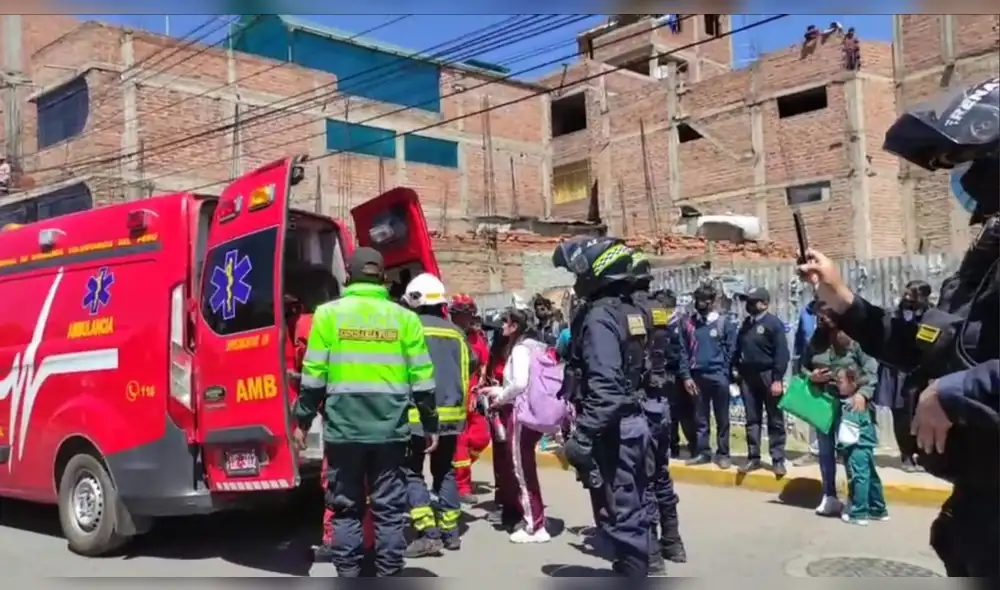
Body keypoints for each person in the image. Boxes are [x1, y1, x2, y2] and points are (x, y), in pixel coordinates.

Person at [799, 76, 998, 577]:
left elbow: (964, 374)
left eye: (966, 162)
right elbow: (926, 345)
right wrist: (841, 296)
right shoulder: (986, 257)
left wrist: (956, 391)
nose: (960, 179)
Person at [292, 248, 438, 578]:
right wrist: (430, 424)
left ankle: (348, 575)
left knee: (346, 509)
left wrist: (301, 420)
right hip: (390, 432)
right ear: (383, 278)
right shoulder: (405, 319)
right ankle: (388, 575)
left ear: (349, 277)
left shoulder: (327, 316)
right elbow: (423, 379)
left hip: (344, 431)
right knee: (388, 511)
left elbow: (314, 375)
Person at [553, 236, 653, 577]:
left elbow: (607, 389)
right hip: (632, 422)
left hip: (614, 428)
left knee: (623, 516)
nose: (576, 281)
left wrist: (581, 437)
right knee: (636, 508)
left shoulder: (599, 317)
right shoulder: (629, 310)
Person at [399, 273, 476, 556]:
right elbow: (474, 362)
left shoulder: (411, 328)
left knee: (412, 473)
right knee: (445, 472)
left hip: (418, 418)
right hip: (453, 417)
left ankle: (428, 533)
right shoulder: (456, 332)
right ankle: (450, 532)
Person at [627, 251, 687, 569]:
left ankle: (651, 553)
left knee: (643, 480)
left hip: (639, 405)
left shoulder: (628, 311)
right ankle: (673, 543)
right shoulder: (659, 310)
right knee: (661, 476)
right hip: (659, 402)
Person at [800, 300, 879, 518]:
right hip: (823, 402)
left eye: (825, 315)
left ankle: (855, 500)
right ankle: (829, 496)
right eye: (819, 316)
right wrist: (811, 376)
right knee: (825, 452)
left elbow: (871, 370)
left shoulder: (855, 341)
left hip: (851, 403)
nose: (821, 319)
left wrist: (863, 394)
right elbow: (802, 366)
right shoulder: (815, 341)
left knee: (851, 453)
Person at [480, 308, 552, 544]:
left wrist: (499, 397)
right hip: (534, 412)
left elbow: (519, 383)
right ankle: (536, 517)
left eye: (505, 323)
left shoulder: (520, 349)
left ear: (515, 326)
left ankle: (534, 526)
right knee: (526, 468)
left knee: (521, 470)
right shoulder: (537, 345)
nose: (502, 328)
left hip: (520, 414)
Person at [677, 284, 738, 469]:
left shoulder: (723, 323)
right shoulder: (688, 324)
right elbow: (682, 351)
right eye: (697, 299)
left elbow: (731, 350)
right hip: (696, 377)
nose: (699, 304)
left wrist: (724, 372)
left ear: (712, 302)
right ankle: (703, 452)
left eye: (704, 300)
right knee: (700, 418)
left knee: (722, 418)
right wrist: (687, 376)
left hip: (718, 376)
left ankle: (723, 454)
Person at [874, 281, 931, 472]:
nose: (907, 299)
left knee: (921, 414)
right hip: (895, 371)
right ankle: (906, 454)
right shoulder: (892, 316)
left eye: (913, 296)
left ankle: (921, 454)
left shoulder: (931, 317)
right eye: (906, 294)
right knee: (900, 415)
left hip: (920, 371)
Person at [734, 287, 790, 476]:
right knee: (752, 419)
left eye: (753, 301)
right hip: (748, 378)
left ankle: (777, 459)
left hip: (768, 376)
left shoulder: (773, 324)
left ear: (765, 303)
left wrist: (777, 379)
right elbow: (738, 349)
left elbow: (782, 354)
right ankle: (754, 457)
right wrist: (736, 371)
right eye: (747, 302)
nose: (749, 306)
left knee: (775, 418)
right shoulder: (746, 325)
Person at [448, 293, 492, 504]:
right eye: (461, 313)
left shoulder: (478, 337)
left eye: (468, 313)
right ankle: (462, 486)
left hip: (474, 397)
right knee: (461, 444)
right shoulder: (448, 335)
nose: (466, 318)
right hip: (454, 399)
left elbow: (483, 364)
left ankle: (457, 472)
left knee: (481, 437)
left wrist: (481, 386)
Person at [834, 366, 888, 526]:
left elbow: (849, 429)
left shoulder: (853, 403)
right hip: (865, 442)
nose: (837, 384)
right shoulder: (860, 400)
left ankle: (859, 513)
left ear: (853, 383)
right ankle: (878, 509)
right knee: (870, 475)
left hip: (857, 444)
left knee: (859, 477)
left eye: (840, 381)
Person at [792, 293, 822, 466]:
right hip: (812, 367)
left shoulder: (841, 310)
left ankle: (840, 451)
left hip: (838, 367)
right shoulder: (806, 312)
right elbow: (799, 341)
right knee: (814, 411)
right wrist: (798, 367)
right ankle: (815, 451)